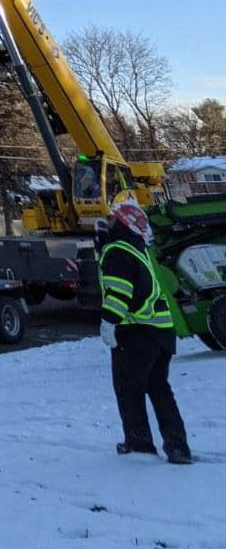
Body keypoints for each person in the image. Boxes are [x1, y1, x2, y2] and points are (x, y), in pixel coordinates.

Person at [99, 199, 191, 464]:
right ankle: (178, 447)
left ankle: (139, 444)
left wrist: (109, 321)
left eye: (113, 218)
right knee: (159, 388)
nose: (109, 221)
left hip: (135, 332)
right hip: (160, 332)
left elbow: (119, 291)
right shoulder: (137, 249)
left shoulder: (117, 250)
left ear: (124, 223)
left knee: (129, 389)